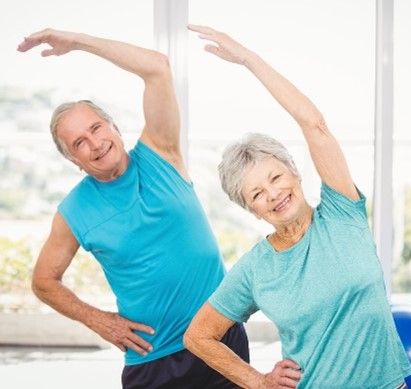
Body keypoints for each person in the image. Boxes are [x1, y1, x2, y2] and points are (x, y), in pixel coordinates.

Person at [17, 28, 250, 388]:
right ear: (73, 160)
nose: (94, 143)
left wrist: (78, 42)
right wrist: (98, 320)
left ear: (114, 126)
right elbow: (44, 281)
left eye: (96, 127)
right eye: (79, 142)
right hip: (155, 359)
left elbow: (157, 67)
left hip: (220, 338)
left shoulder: (161, 152)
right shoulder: (73, 212)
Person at [184, 25, 411, 389]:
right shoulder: (256, 269)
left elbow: (315, 124)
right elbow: (198, 336)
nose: (273, 195)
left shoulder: (342, 214)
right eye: (257, 194)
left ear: (294, 171)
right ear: (251, 209)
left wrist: (248, 59)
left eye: (276, 178)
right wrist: (258, 381)